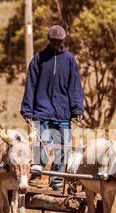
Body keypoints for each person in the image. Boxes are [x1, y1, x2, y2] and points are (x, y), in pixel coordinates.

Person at [20, 25, 84, 191]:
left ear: (63, 41)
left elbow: (75, 86)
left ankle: (56, 180)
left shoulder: (69, 60)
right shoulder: (39, 58)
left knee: (63, 148)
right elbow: (31, 85)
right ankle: (36, 174)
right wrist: (27, 109)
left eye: (59, 41)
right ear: (49, 40)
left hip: (63, 114)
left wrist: (77, 109)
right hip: (41, 112)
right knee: (42, 145)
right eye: (54, 41)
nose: (56, 44)